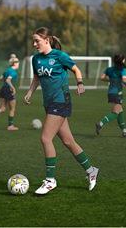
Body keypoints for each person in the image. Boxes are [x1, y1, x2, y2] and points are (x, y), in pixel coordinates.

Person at [24, 27, 99, 195]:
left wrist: (79, 83)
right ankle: (91, 170)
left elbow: (76, 69)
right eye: (33, 41)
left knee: (45, 138)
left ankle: (50, 180)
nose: (34, 44)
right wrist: (29, 92)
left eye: (37, 40)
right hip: (49, 104)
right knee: (68, 141)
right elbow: (37, 78)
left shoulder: (59, 56)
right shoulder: (35, 59)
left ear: (47, 40)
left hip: (61, 101)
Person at [95, 54, 126, 137]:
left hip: (110, 93)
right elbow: (124, 80)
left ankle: (124, 131)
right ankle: (100, 123)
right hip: (117, 93)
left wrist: (111, 80)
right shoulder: (122, 69)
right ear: (122, 60)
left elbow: (102, 78)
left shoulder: (109, 69)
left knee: (120, 111)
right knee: (115, 112)